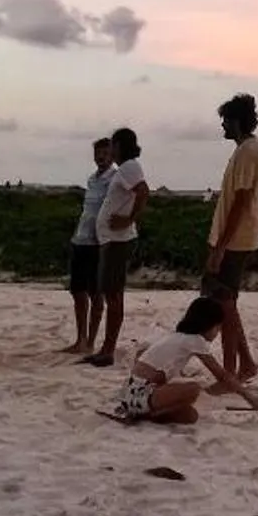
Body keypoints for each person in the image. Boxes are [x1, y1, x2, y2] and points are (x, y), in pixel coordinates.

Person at [113, 296, 258, 426]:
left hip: (131, 393)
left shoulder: (178, 336)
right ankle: (140, 412)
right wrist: (249, 397)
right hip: (140, 393)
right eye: (218, 328)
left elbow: (141, 355)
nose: (217, 332)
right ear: (208, 324)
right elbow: (222, 375)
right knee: (194, 389)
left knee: (190, 416)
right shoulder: (194, 340)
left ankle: (144, 415)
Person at [204, 93, 258, 386]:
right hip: (234, 238)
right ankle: (247, 364)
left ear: (236, 121)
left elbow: (241, 202)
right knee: (226, 303)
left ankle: (230, 373)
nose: (223, 127)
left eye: (225, 122)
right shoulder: (245, 150)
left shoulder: (248, 152)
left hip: (236, 240)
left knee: (224, 303)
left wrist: (220, 247)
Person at [84, 126, 149, 368]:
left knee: (113, 295)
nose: (108, 150)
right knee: (111, 293)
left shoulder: (129, 167)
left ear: (120, 146)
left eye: (112, 145)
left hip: (117, 241)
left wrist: (128, 218)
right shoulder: (125, 169)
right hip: (111, 240)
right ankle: (105, 348)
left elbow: (143, 192)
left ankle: (108, 350)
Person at [67, 136, 113, 355]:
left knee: (97, 293)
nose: (101, 158)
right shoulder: (92, 180)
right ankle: (80, 339)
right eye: (98, 154)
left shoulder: (114, 178)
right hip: (81, 239)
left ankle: (91, 341)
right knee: (78, 291)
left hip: (98, 243)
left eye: (105, 153)